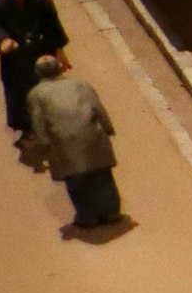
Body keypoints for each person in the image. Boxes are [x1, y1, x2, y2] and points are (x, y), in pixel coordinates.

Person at [29, 51, 125, 230]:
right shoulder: (81, 84)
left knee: (77, 180)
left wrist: (44, 144)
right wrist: (108, 128)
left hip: (64, 142)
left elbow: (38, 120)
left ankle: (88, 216)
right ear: (59, 68)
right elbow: (98, 108)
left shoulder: (36, 94)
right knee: (102, 175)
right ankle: (112, 212)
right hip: (93, 135)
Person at [0, 0, 65, 140]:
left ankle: (51, 123)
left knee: (49, 89)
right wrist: (3, 40)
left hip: (41, 52)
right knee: (19, 93)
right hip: (15, 57)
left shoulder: (42, 0)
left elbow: (54, 27)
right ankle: (27, 129)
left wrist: (60, 52)